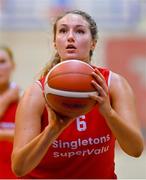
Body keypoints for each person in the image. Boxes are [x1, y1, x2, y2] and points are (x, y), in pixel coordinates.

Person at [11, 10, 144, 179]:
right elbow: (19, 168)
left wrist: (109, 113)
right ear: (55, 43)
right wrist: (53, 130)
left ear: (93, 43)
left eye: (80, 31)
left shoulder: (114, 84)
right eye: (63, 30)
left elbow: (135, 150)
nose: (70, 37)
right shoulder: (37, 93)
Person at [0, 46, 20, 178]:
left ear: (12, 65)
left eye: (2, 62)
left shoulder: (26, 99)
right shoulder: (10, 98)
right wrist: (5, 100)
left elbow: (34, 138)